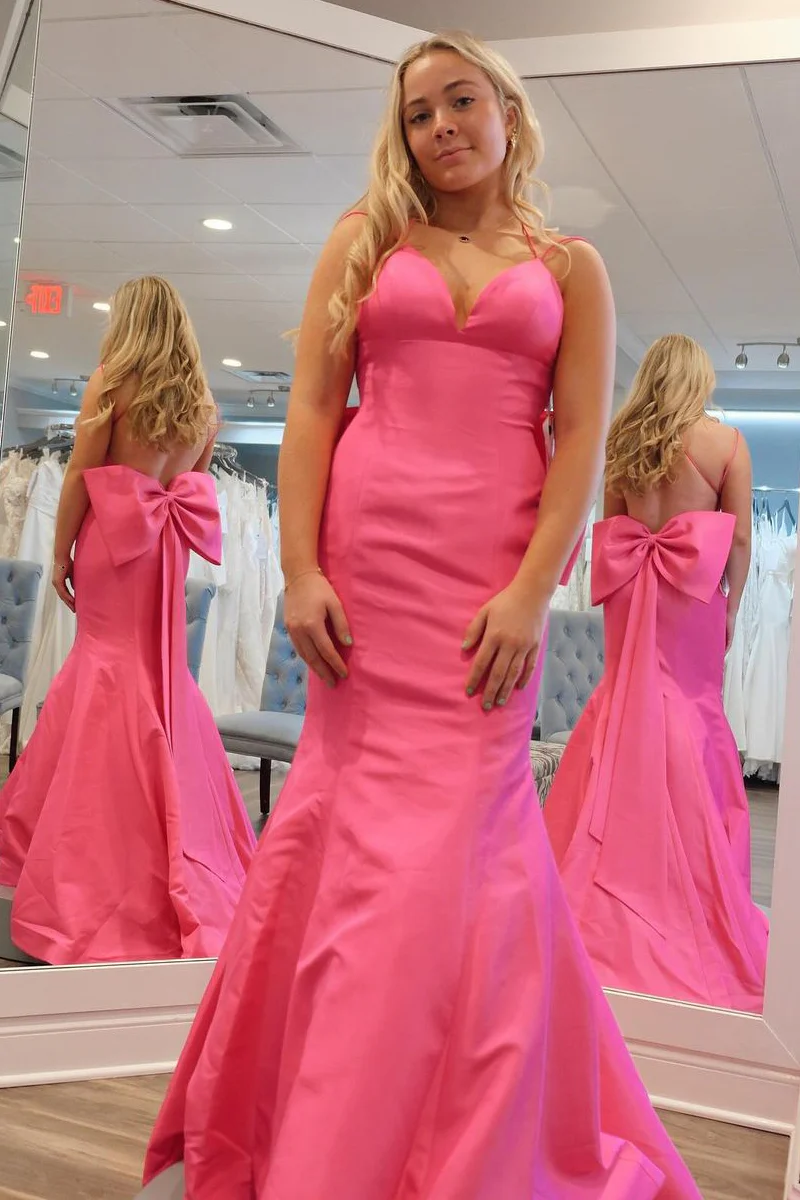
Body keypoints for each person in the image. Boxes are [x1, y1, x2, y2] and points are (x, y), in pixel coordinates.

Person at [141, 35, 701, 1199]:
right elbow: (311, 407)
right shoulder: (365, 237)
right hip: (366, 569)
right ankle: (321, 1115)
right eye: (416, 113)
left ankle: (454, 1120)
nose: (440, 126)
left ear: (506, 113)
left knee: (466, 847)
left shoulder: (570, 266)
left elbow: (578, 443)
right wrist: (298, 567)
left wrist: (532, 589)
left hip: (488, 581)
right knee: (348, 834)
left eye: (460, 101)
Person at [0, 276, 256, 965]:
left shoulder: (112, 384)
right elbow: (189, 482)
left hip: (115, 547)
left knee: (104, 670)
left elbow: (80, 475)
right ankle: (172, 828)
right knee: (156, 675)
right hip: (164, 552)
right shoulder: (201, 405)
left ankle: (96, 852)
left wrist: (60, 553)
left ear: (132, 320)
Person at [545, 333, 769, 1013]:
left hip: (631, 594)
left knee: (623, 703)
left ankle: (608, 869)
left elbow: (612, 530)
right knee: (690, 717)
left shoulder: (624, 442)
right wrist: (730, 606)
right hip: (691, 601)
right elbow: (740, 540)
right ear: (698, 379)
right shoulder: (727, 446)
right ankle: (680, 887)